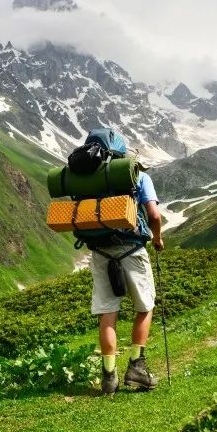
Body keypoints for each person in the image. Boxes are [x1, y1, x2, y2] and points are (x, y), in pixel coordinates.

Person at [91, 169, 164, 395]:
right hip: (132, 248)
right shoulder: (137, 176)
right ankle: (136, 367)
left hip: (100, 251)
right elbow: (154, 216)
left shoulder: (89, 180)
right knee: (145, 306)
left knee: (108, 312)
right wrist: (158, 239)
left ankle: (108, 378)